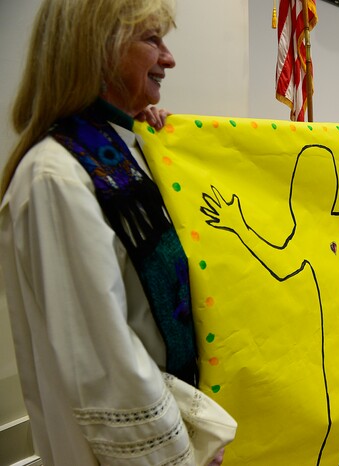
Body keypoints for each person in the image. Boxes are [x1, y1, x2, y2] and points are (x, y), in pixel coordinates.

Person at [0, 0, 236, 464]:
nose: (169, 59)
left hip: (177, 406)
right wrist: (180, 449)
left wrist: (152, 142)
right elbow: (105, 365)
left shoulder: (125, 152)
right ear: (98, 49)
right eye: (152, 40)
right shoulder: (57, 178)